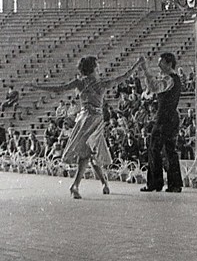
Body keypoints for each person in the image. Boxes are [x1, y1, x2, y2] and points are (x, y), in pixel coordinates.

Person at [28, 55, 140, 198]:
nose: (99, 67)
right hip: (94, 119)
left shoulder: (80, 83)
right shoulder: (102, 84)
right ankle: (75, 185)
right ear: (93, 67)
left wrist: (37, 86)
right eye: (97, 65)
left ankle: (104, 183)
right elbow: (124, 76)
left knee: (90, 154)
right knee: (87, 153)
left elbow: (58, 89)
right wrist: (137, 64)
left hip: (83, 118)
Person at [138, 51, 184, 193]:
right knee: (169, 150)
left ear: (169, 63)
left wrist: (146, 69)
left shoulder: (170, 79)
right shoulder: (172, 79)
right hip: (170, 117)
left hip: (165, 119)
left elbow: (155, 88)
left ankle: (155, 183)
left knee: (154, 149)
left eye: (161, 62)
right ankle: (174, 184)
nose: (159, 64)